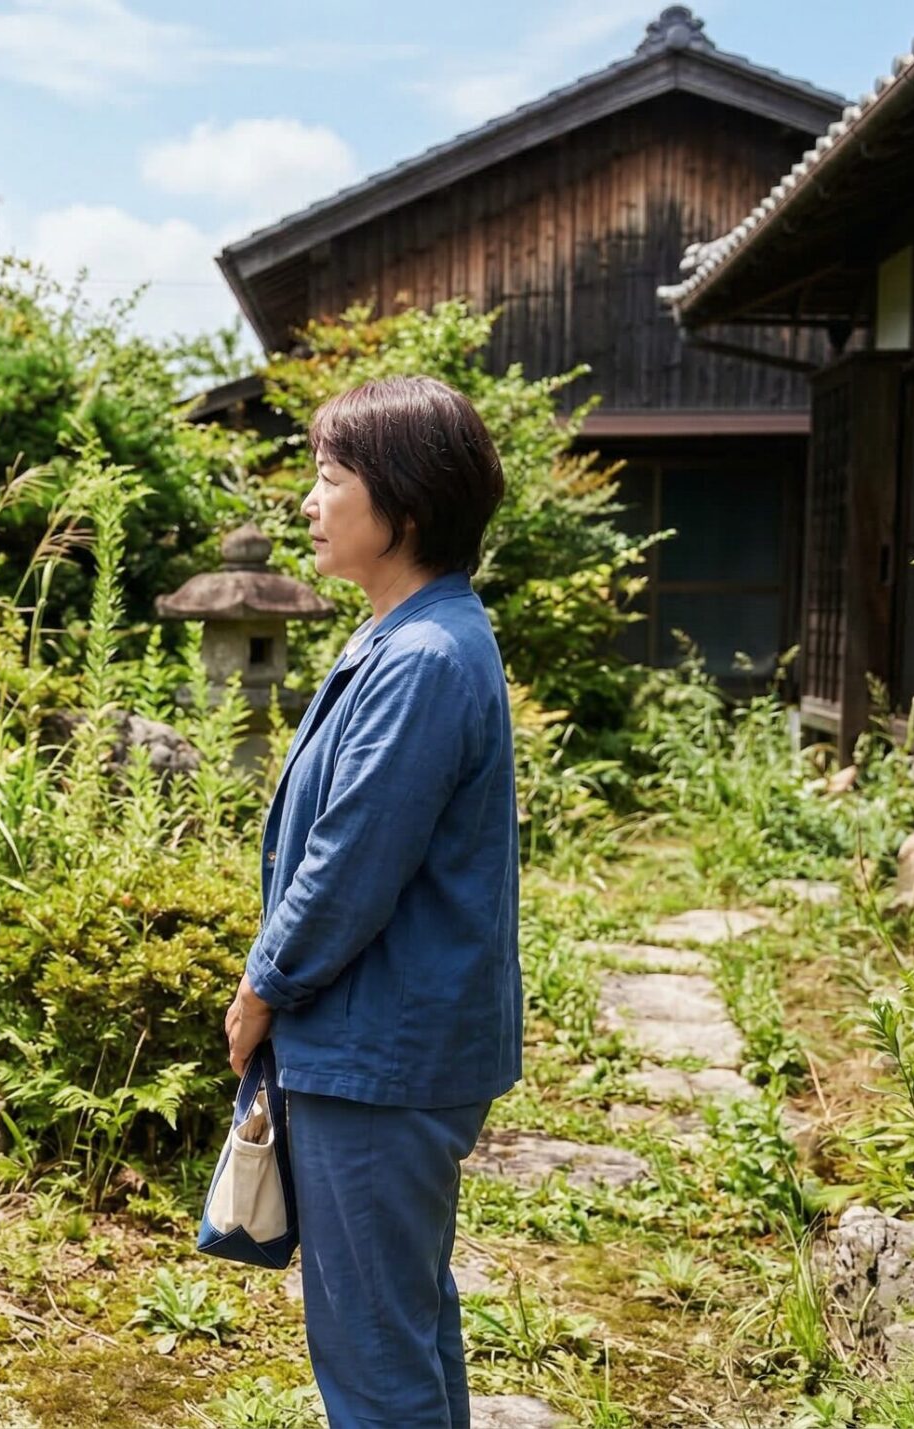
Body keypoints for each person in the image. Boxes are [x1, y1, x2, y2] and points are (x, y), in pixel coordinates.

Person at [221, 375, 522, 1429]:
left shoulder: (424, 656)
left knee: (370, 1350)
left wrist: (263, 985)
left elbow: (351, 860)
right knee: (404, 1323)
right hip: (387, 1040)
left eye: (329, 477)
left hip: (381, 1051)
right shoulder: (405, 634)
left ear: (402, 502)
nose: (309, 500)